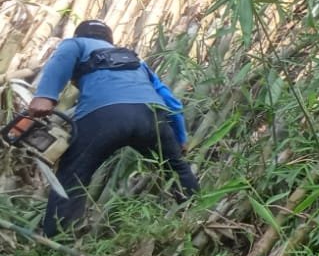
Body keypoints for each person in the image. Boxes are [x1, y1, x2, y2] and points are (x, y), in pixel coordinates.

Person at [25, 20, 198, 238]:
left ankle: (57, 239)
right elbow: (171, 102)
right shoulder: (135, 61)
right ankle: (197, 219)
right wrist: (180, 138)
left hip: (104, 116)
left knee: (72, 177)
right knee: (177, 169)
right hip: (151, 115)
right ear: (109, 40)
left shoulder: (76, 44)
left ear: (80, 34)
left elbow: (61, 59)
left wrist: (45, 96)